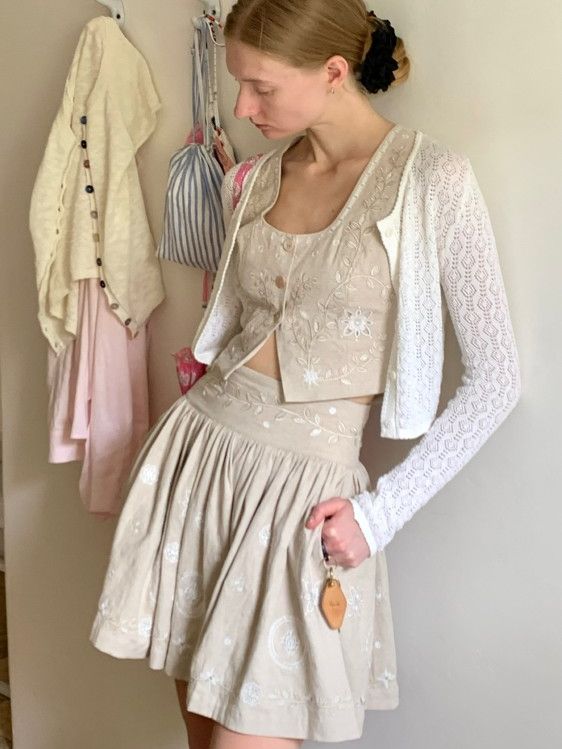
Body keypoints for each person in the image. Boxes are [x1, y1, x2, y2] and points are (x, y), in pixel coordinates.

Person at [89, 1, 522, 747]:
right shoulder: (252, 180)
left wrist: (380, 515)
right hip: (200, 462)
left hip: (301, 498)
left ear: (333, 72)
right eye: (239, 84)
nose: (242, 108)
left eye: (261, 87)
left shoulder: (433, 181)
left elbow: (497, 379)